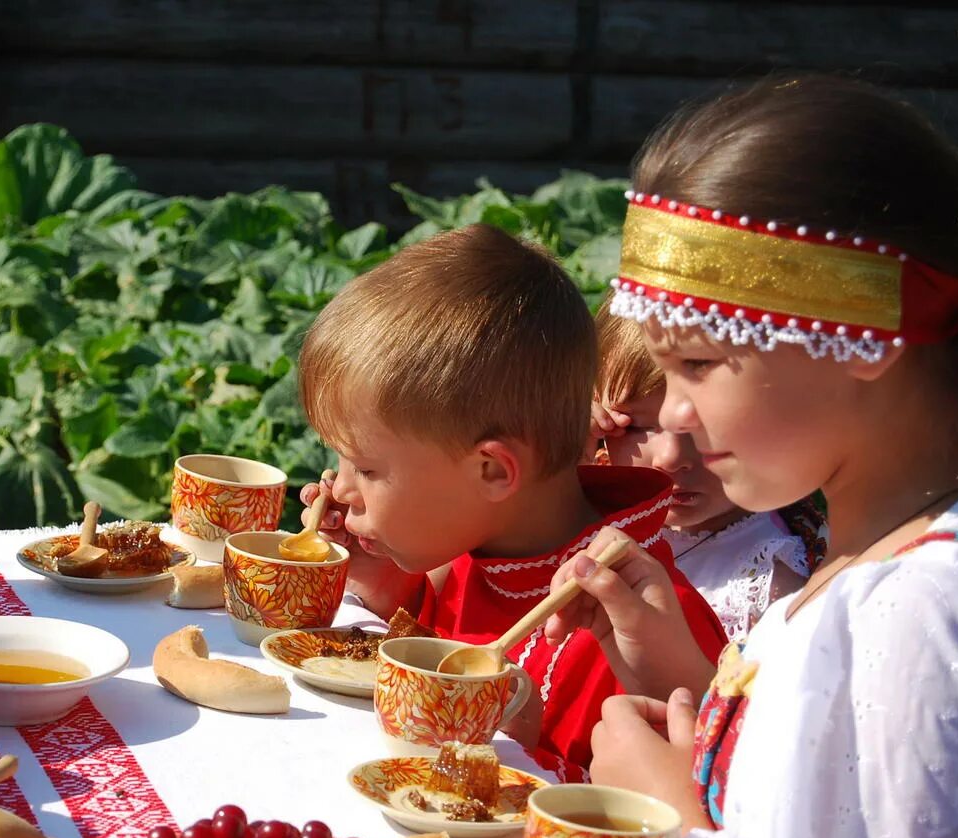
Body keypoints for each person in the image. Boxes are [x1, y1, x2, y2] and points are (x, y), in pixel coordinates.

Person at [540, 76, 958, 838]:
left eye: (698, 362)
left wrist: (668, 822)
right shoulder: (878, 559)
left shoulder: (921, 619)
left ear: (867, 336)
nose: (679, 418)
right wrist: (684, 694)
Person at [295, 222, 726, 780]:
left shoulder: (643, 625)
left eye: (368, 467)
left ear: (494, 470)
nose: (341, 488)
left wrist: (523, 747)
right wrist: (385, 588)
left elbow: (664, 822)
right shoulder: (481, 547)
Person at [589, 304, 820, 641]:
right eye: (635, 426)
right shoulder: (585, 497)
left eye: (703, 425)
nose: (670, 457)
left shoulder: (769, 584)